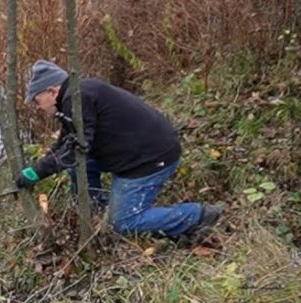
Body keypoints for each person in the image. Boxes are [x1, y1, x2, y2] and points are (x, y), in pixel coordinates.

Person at [15, 59, 223, 243]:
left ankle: (199, 215)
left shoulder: (78, 98)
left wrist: (36, 173)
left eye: (36, 99)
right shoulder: (77, 95)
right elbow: (67, 142)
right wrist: (39, 165)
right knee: (82, 166)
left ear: (52, 91)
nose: (37, 106)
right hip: (137, 150)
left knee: (123, 224)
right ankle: (95, 212)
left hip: (149, 159)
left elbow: (75, 151)